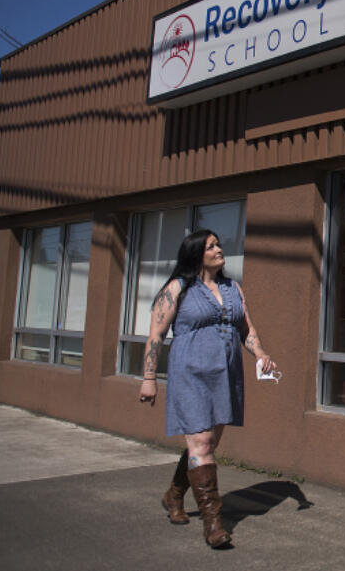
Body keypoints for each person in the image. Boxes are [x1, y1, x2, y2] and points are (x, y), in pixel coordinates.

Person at [138, 229, 275, 549]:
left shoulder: (233, 288)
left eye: (218, 244)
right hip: (190, 374)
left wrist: (261, 353)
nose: (218, 249)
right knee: (201, 443)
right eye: (211, 246)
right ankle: (214, 524)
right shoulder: (178, 288)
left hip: (226, 376)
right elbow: (156, 335)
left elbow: (246, 329)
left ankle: (174, 494)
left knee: (206, 442)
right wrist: (148, 378)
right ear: (196, 253)